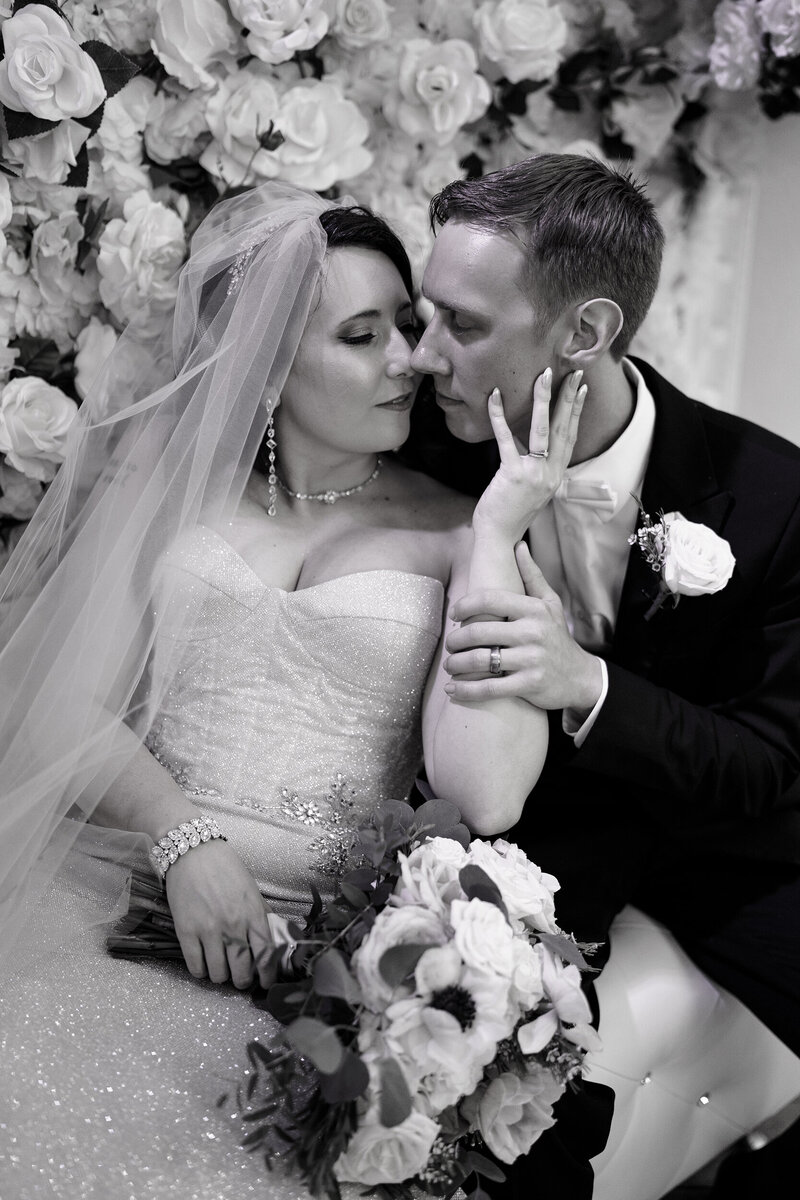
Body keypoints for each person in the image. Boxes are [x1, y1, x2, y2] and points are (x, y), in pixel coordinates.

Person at [0, 182, 585, 1199]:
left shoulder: (462, 529)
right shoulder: (167, 490)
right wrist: (180, 835)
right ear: (264, 369)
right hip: (112, 888)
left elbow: (487, 796)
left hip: (305, 966)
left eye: (405, 327)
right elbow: (46, 697)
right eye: (362, 336)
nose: (407, 358)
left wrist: (495, 537)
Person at [403, 152, 800, 1197]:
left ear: (582, 333)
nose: (421, 356)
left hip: (724, 850)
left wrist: (587, 686)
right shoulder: (423, 447)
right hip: (532, 844)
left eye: (463, 326)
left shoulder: (770, 495)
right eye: (421, 314)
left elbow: (769, 764)